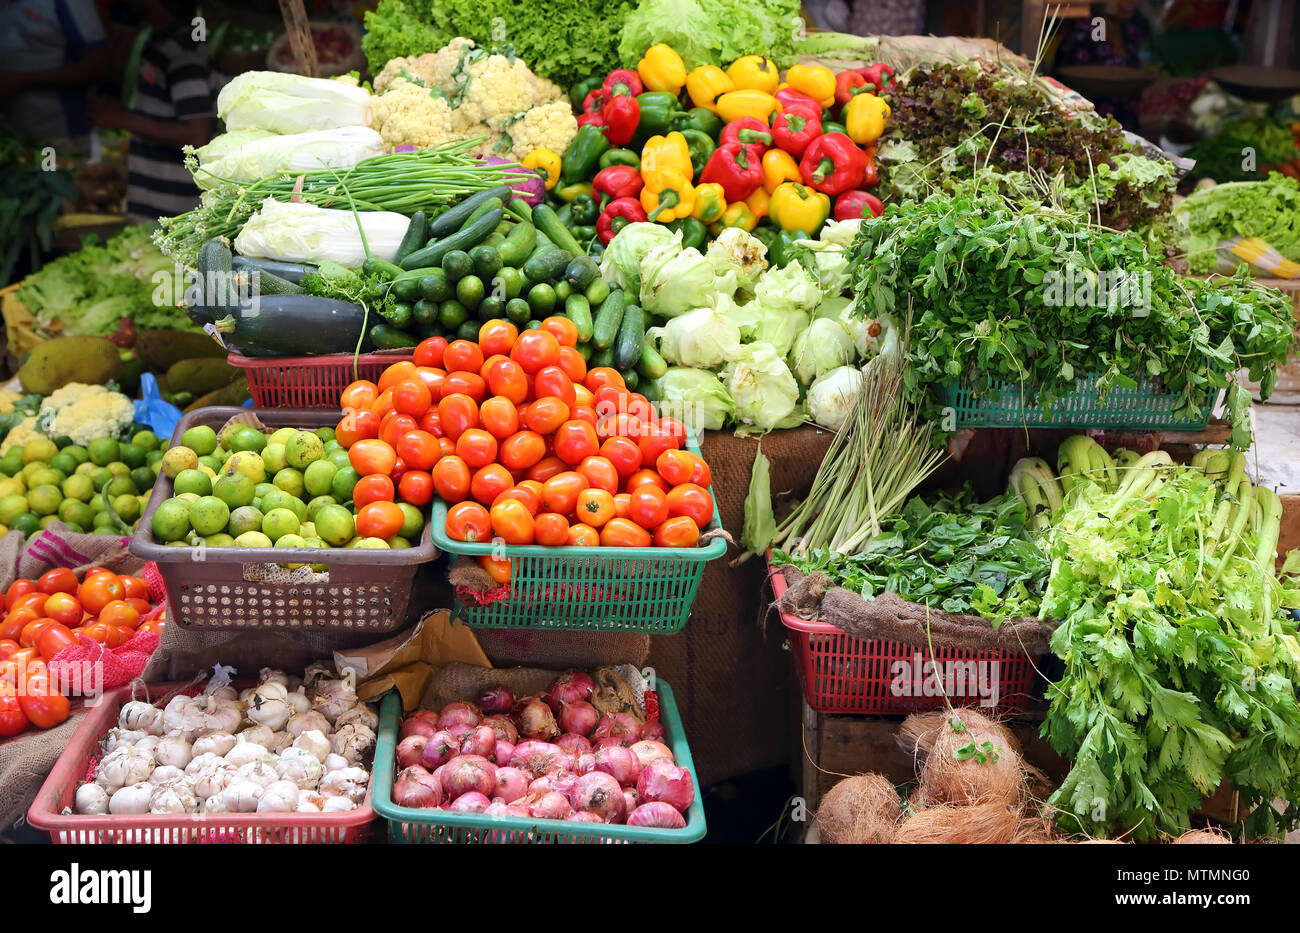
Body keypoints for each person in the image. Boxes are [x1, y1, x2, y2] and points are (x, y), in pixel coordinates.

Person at [90, 0, 212, 222]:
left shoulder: (184, 52)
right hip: (153, 208)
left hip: (174, 211)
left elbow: (197, 134)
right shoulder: (160, 43)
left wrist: (122, 119)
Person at [0, 0, 112, 142]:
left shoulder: (70, 3)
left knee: (51, 161)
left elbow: (99, 66)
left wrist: (18, 81)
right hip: (14, 133)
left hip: (60, 134)